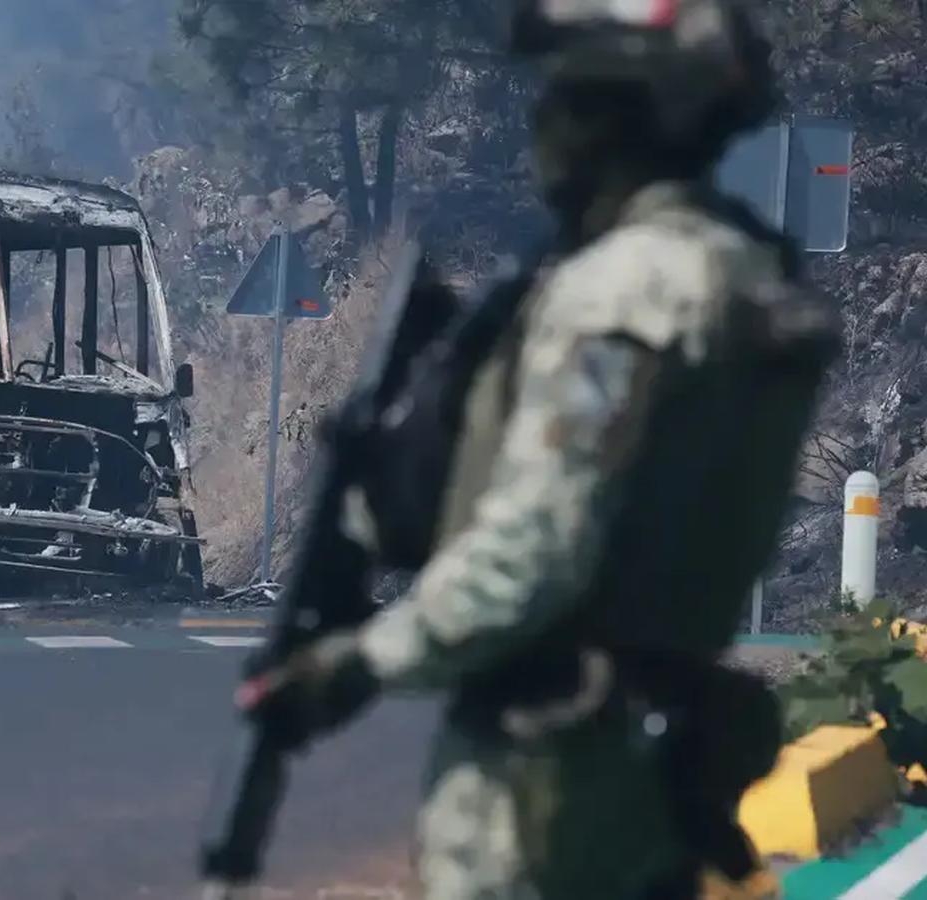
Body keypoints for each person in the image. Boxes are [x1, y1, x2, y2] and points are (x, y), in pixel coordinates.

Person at [242, 1, 841, 897]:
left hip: (551, 776)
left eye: (567, 96)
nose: (543, 125)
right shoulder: (749, 276)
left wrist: (357, 664)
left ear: (618, 115)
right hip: (664, 759)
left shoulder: (622, 294)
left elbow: (538, 551)